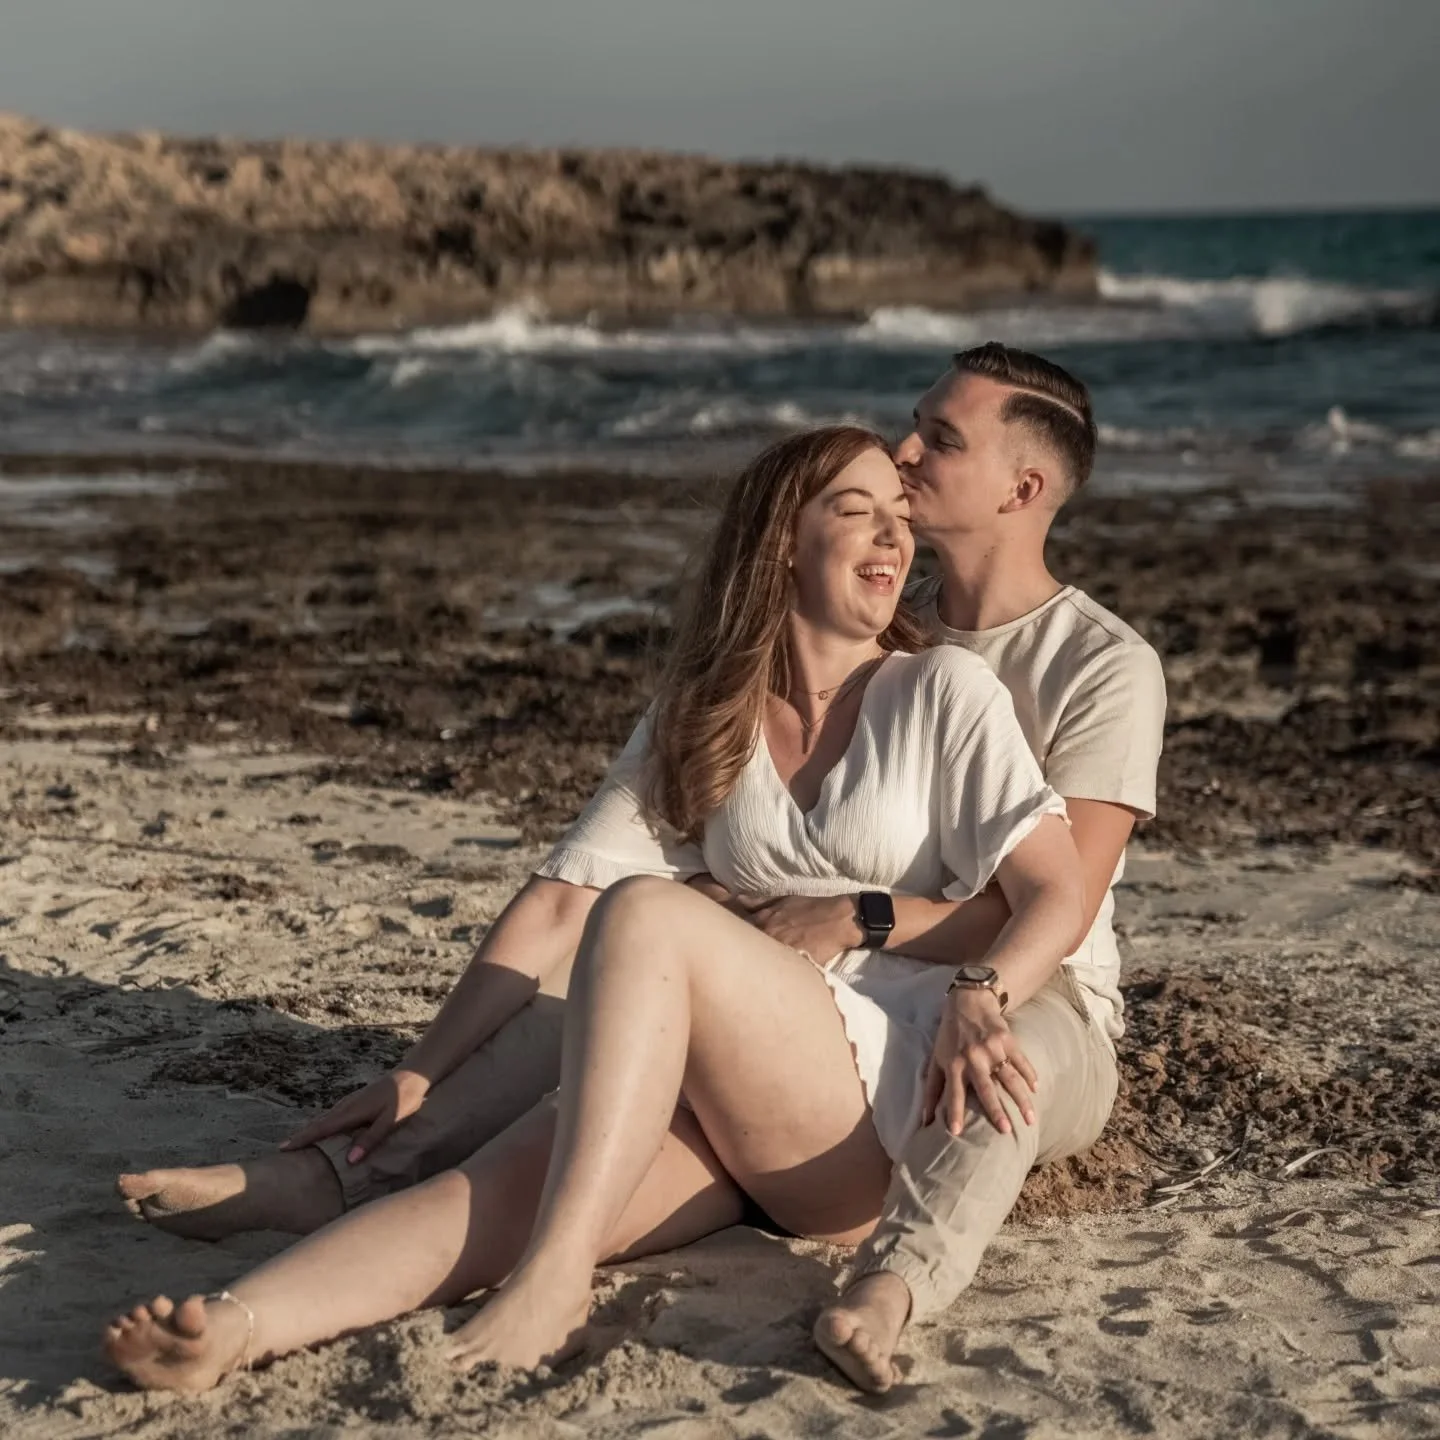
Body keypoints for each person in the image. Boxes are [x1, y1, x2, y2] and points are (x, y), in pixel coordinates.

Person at [117, 342, 1165, 1393]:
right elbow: (560, 896)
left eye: (934, 447)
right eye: (869, 504)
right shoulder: (731, 705)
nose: (904, 473)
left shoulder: (1008, 677)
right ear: (781, 542)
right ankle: (248, 1315)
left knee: (651, 921)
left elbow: (1053, 900)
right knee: (505, 1180)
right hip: (775, 1050)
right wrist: (419, 1069)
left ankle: (579, 1275)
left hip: (947, 1033)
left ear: (1024, 487)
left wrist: (859, 918)